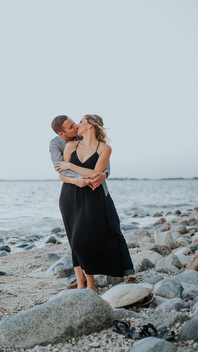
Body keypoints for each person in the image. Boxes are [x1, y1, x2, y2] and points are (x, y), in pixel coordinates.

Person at [50, 114, 133, 290]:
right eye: (72, 125)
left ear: (89, 126)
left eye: (78, 123)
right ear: (62, 134)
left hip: (95, 193)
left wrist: (98, 174)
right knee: (75, 240)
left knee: (110, 230)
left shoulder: (103, 148)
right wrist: (78, 179)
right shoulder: (65, 144)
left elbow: (98, 172)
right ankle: (83, 284)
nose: (76, 126)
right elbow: (60, 171)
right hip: (70, 194)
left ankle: (127, 271)